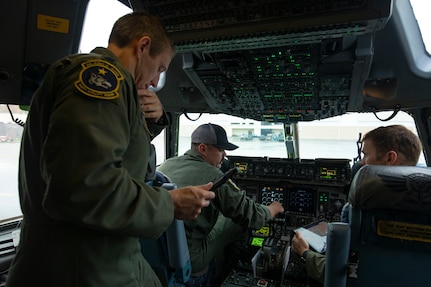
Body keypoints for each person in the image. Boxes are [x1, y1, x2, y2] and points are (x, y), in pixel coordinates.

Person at [6, 12, 216, 287]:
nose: (155, 82)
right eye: (160, 69)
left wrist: (151, 123)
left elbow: (115, 156)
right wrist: (170, 203)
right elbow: (84, 187)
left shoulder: (114, 86)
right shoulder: (101, 77)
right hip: (82, 266)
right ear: (142, 47)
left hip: (102, 256)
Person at [290, 124, 422, 285]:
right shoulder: (422, 205)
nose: (362, 162)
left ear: (390, 158)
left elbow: (342, 272)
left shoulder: (363, 207)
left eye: (366, 155)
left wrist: (304, 252)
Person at [157, 123, 285, 286]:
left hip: (159, 253)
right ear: (203, 149)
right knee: (238, 223)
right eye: (220, 150)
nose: (224, 156)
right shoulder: (215, 177)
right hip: (189, 257)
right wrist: (273, 209)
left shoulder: (166, 165)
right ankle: (229, 272)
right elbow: (251, 216)